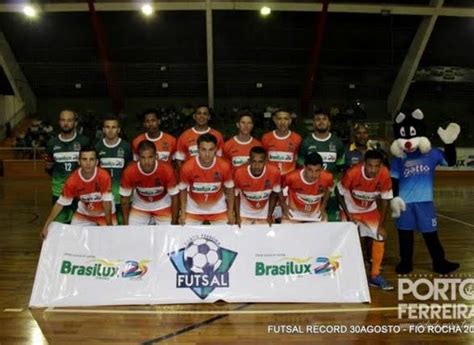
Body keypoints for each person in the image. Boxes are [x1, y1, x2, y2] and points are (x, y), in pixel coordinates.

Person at [336, 150, 393, 290]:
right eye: (369, 166)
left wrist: (381, 225)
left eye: (376, 166)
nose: (373, 170)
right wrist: (348, 214)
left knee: (381, 236)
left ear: (381, 166)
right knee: (346, 239)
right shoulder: (352, 173)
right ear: (364, 164)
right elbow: (339, 192)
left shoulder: (385, 174)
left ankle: (375, 276)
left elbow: (385, 201)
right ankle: (345, 273)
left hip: (369, 211)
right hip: (350, 209)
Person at [41, 146, 115, 239]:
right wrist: (46, 225)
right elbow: (60, 204)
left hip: (105, 214)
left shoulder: (104, 176)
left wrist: (109, 225)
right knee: (74, 239)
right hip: (84, 213)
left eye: (91, 159)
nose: (88, 163)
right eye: (84, 159)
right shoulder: (72, 180)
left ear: (97, 162)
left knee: (108, 240)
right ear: (79, 161)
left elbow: (106, 202)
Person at [44, 109, 90, 223]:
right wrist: (60, 179)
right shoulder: (52, 143)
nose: (66, 123)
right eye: (63, 120)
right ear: (59, 122)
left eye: (69, 120)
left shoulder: (84, 141)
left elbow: (90, 167)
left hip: (80, 191)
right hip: (59, 191)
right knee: (60, 225)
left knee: (80, 224)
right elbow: (48, 167)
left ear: (75, 123)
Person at [298, 109, 344, 221]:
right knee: (311, 227)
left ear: (329, 123)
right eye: (318, 119)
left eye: (324, 119)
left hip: (331, 195)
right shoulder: (306, 143)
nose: (321, 122)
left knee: (333, 226)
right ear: (313, 124)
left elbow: (340, 169)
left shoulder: (337, 143)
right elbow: (300, 169)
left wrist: (332, 185)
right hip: (311, 194)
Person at [179, 133, 234, 225]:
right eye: (203, 150)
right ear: (198, 149)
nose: (207, 154)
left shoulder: (224, 166)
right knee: (186, 233)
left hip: (218, 208)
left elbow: (230, 190)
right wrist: (183, 213)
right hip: (194, 209)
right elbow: (183, 191)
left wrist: (230, 212)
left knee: (225, 236)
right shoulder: (187, 167)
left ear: (216, 149)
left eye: (211, 150)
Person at [120, 140, 179, 225]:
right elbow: (125, 200)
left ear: (156, 156)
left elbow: (175, 197)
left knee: (168, 232)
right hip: (140, 204)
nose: (147, 162)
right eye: (143, 157)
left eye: (150, 157)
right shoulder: (129, 171)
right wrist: (126, 225)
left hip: (162, 203)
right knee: (133, 231)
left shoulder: (167, 170)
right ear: (138, 158)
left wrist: (174, 223)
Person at [234, 146, 286, 226]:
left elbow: (274, 195)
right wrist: (237, 217)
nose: (257, 166)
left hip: (264, 214)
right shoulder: (239, 173)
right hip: (244, 214)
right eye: (254, 161)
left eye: (260, 162)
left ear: (265, 161)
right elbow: (236, 196)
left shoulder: (274, 172)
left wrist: (269, 216)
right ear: (249, 161)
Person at [95, 114, 133, 224]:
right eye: (107, 127)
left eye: (113, 127)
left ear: (119, 130)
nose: (110, 130)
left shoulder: (126, 147)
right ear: (103, 129)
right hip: (104, 196)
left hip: (121, 197)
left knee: (123, 228)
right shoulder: (97, 146)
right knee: (105, 228)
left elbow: (130, 172)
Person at [283, 153, 333, 223]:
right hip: (293, 212)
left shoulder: (328, 177)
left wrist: (323, 206)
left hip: (315, 213)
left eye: (317, 170)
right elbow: (278, 189)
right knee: (286, 230)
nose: (313, 174)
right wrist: (284, 206)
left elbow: (330, 188)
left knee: (324, 229)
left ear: (322, 169)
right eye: (310, 170)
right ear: (304, 167)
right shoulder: (292, 177)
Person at [261, 109, 302, 177]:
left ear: (290, 121)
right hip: (270, 179)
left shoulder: (297, 138)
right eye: (279, 119)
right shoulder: (266, 138)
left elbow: (299, 160)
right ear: (274, 120)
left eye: (286, 119)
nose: (282, 122)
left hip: (289, 181)